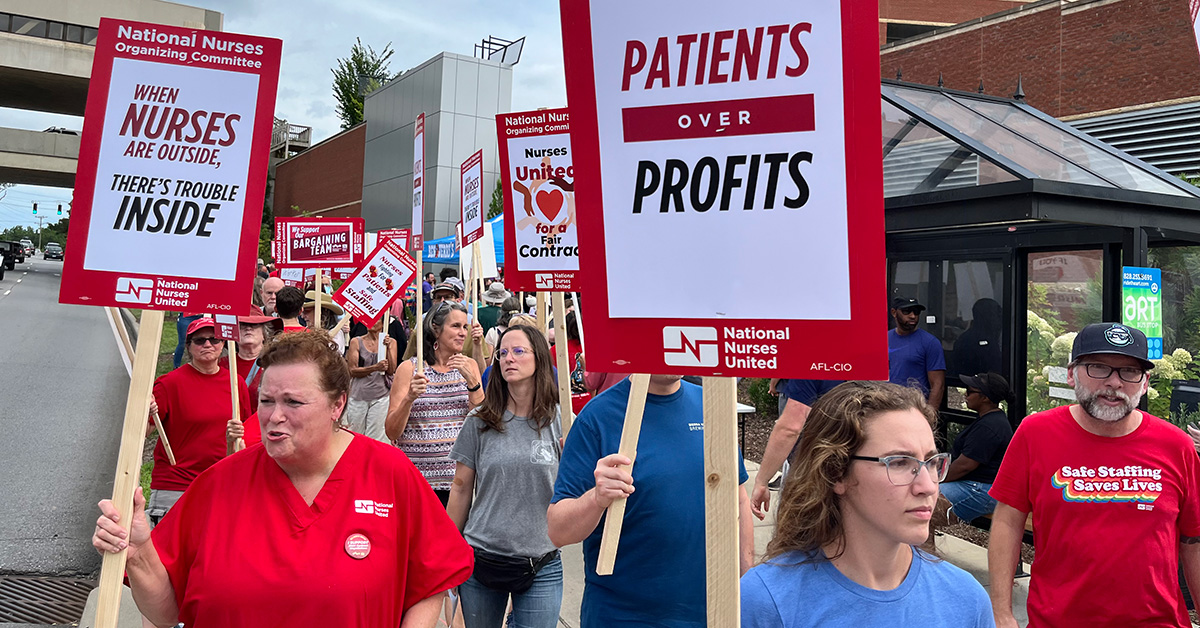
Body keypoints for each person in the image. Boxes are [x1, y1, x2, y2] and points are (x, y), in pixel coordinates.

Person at [93, 331, 474, 626]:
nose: (274, 416)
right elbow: (165, 613)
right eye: (266, 401)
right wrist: (139, 551)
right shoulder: (218, 484)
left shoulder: (389, 474)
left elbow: (433, 582)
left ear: (337, 404)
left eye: (293, 402)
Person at [988, 322, 1200, 628]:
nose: (1114, 382)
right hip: (1058, 620)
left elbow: (1193, 539)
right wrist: (1001, 611)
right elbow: (1008, 520)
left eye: (1129, 371)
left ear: (1144, 382)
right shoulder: (1036, 434)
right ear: (1072, 373)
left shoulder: (1175, 445)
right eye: (1099, 368)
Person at [740, 381, 992, 627]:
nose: (927, 486)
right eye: (900, 462)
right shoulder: (766, 602)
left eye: (932, 462)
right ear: (835, 472)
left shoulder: (965, 600)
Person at [548, 375, 755, 627]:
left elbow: (739, 499)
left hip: (707, 612)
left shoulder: (710, 404)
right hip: (624, 615)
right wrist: (596, 498)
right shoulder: (598, 417)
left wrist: (746, 583)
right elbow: (558, 530)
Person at [448, 325, 563, 627]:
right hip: (482, 558)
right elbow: (460, 490)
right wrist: (447, 549)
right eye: (503, 353)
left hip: (542, 561)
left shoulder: (560, 420)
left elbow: (574, 491)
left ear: (539, 357)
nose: (509, 358)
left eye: (518, 351)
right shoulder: (480, 420)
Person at [146, 318, 252, 525]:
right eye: (199, 340)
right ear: (188, 346)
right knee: (166, 555)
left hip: (219, 482)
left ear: (223, 344)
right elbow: (145, 430)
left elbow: (246, 431)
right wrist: (145, 411)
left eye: (214, 339)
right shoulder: (169, 384)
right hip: (176, 484)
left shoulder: (235, 383)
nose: (207, 345)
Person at [387, 301, 485, 505]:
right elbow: (391, 432)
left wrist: (473, 383)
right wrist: (409, 399)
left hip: (459, 482)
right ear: (436, 329)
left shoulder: (470, 366)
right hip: (415, 480)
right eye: (455, 326)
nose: (463, 333)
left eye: (464, 327)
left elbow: (483, 422)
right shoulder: (409, 369)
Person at [749, 378, 844, 519]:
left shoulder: (812, 365)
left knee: (801, 531)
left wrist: (762, 481)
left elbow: (790, 428)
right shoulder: (881, 359)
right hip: (869, 467)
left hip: (814, 470)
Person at [938, 372, 1013, 523]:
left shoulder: (989, 426)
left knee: (925, 495)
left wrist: (935, 480)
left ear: (985, 398)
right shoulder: (990, 418)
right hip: (976, 485)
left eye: (970, 391)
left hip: (983, 490)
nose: (966, 394)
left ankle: (920, 543)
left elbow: (964, 466)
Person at [217, 311, 282, 415]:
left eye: (254, 324)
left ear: (264, 334)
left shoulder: (276, 363)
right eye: (242, 325)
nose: (248, 328)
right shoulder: (220, 365)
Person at [344, 317, 397, 442]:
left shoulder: (391, 342)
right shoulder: (356, 342)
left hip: (381, 396)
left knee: (377, 436)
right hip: (359, 395)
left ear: (383, 324)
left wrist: (388, 348)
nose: (371, 323)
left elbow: (391, 369)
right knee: (356, 435)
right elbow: (352, 370)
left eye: (376, 320)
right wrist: (374, 368)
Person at [888, 297, 946, 409]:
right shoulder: (883, 339)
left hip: (914, 410)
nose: (913, 316)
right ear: (894, 313)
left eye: (916, 312)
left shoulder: (930, 343)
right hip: (884, 408)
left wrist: (929, 417)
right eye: (906, 311)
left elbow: (938, 385)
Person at [952, 298, 1003, 377]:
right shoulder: (978, 342)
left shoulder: (965, 338)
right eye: (996, 315)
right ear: (987, 317)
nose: (1000, 320)